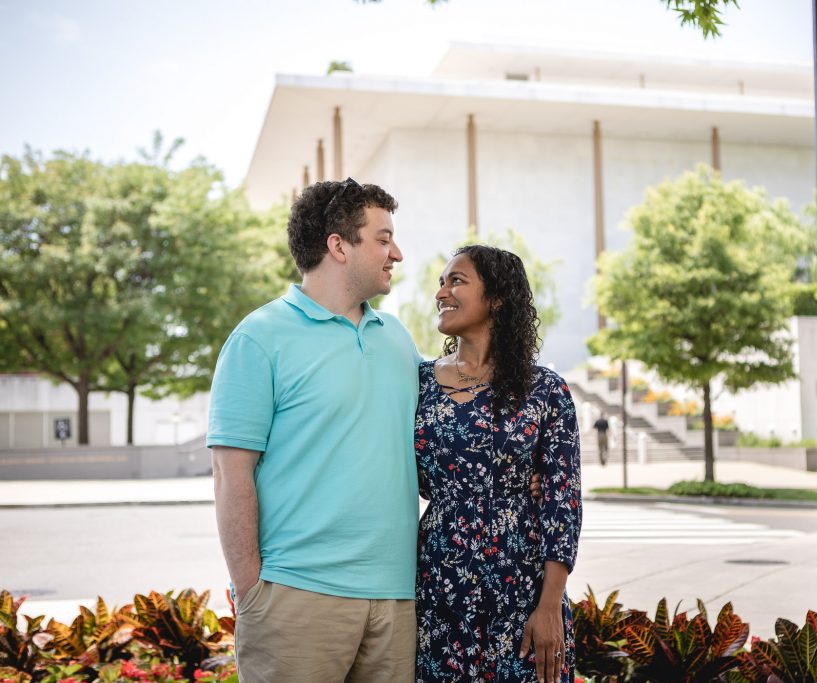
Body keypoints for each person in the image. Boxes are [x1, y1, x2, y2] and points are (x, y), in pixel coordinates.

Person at [207, 178, 422, 683]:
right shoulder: (259, 338)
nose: (398, 253)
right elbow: (229, 474)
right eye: (383, 238)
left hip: (397, 599)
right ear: (338, 246)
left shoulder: (398, 339)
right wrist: (252, 590)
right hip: (296, 597)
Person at [415, 245, 582, 683]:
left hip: (521, 585)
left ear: (497, 298)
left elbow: (561, 505)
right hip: (440, 581)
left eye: (457, 281)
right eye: (441, 282)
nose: (441, 293)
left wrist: (548, 608)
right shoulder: (417, 383)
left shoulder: (545, 390)